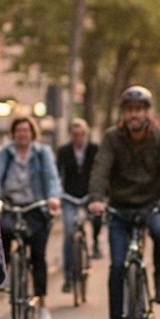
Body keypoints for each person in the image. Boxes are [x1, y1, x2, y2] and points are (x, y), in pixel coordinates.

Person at [87, 86, 160, 319]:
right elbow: (100, 169)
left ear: (147, 112)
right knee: (117, 265)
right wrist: (96, 198)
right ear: (124, 113)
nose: (134, 115)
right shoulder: (112, 138)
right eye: (130, 110)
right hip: (119, 208)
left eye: (139, 109)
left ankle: (159, 280)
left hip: (151, 204)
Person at [0, 116, 62, 319]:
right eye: (18, 131)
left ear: (32, 133)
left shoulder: (42, 153)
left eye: (26, 131)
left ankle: (42, 306)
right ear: (13, 134)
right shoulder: (6, 153)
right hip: (12, 205)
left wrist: (53, 198)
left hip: (36, 207)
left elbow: (52, 178)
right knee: (1, 230)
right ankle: (4, 271)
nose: (22, 134)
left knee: (38, 256)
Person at [56, 117, 101, 292]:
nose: (78, 138)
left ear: (86, 135)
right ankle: (68, 275)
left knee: (97, 218)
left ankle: (96, 243)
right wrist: (58, 193)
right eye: (74, 134)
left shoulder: (94, 150)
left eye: (81, 134)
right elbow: (58, 172)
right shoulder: (64, 151)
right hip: (70, 197)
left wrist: (98, 194)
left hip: (90, 195)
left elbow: (99, 172)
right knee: (69, 233)